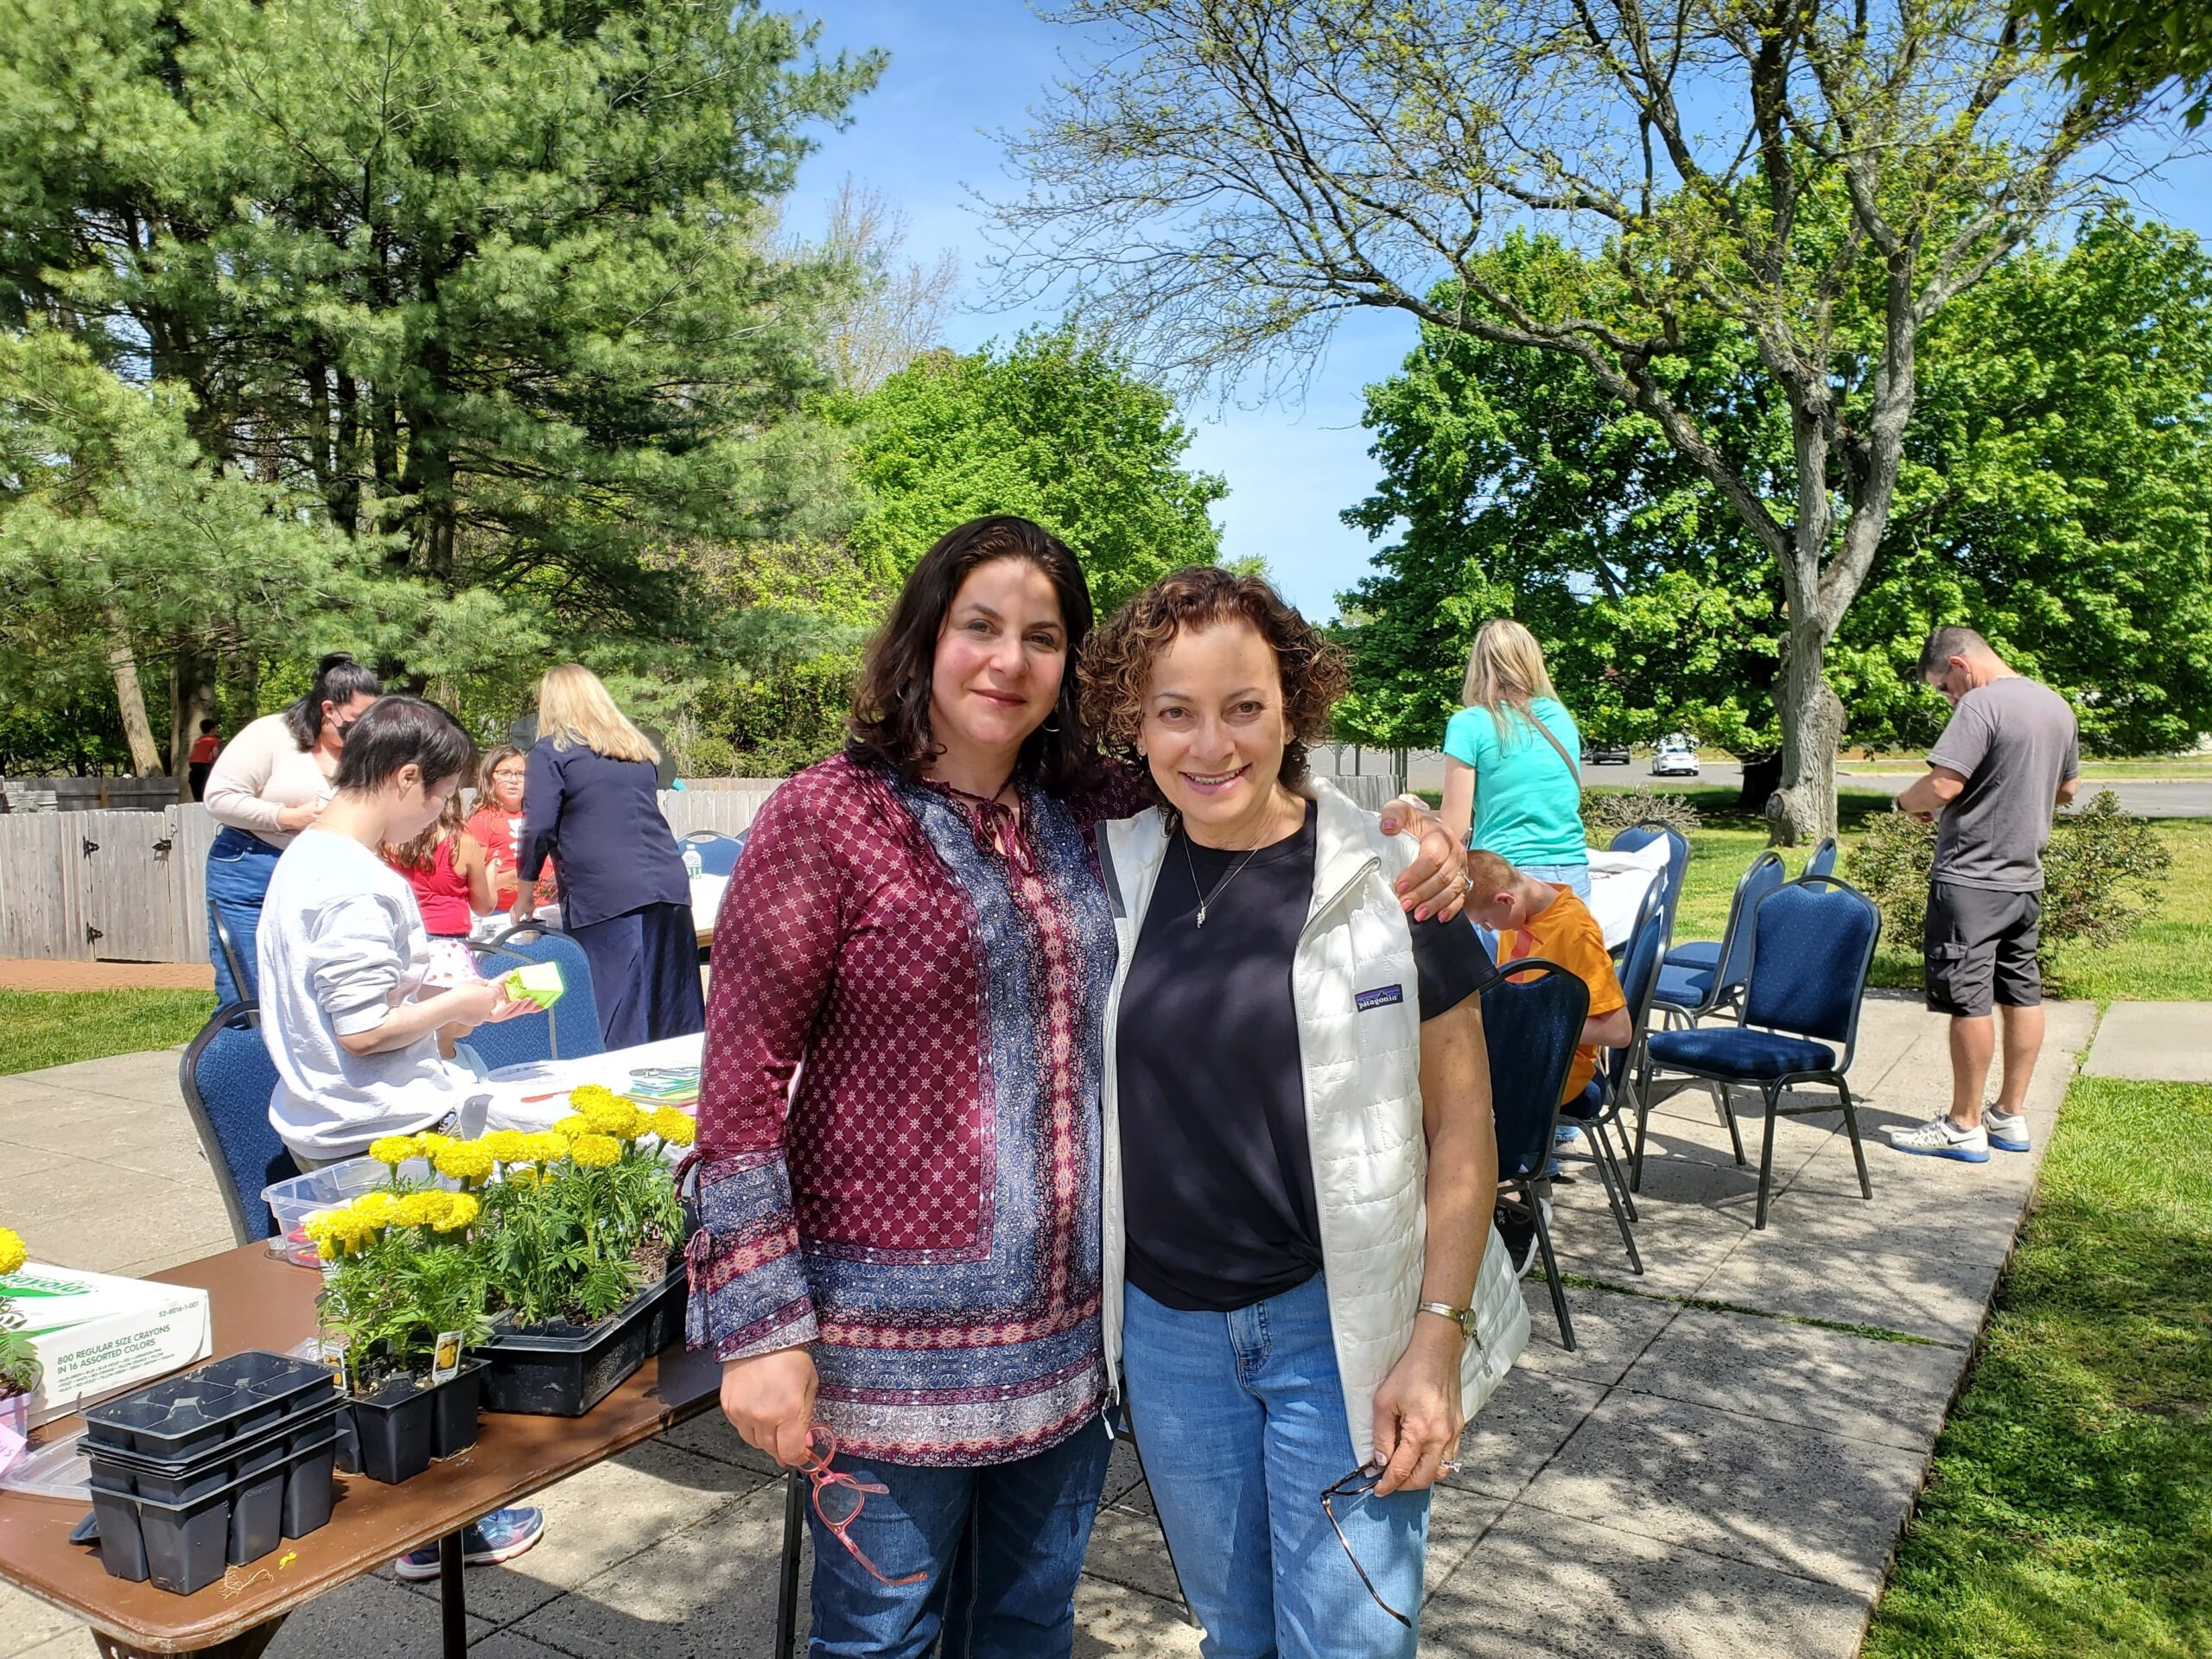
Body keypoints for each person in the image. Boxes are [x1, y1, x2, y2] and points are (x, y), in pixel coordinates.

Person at [690, 518, 1470, 1659]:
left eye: (1042, 636)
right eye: (980, 627)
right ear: (924, 636)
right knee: (879, 1642)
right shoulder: (823, 821)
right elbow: (741, 1094)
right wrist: (759, 1330)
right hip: (883, 1364)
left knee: (1024, 1631)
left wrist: (1438, 847)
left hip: (1067, 1357)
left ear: (1070, 670)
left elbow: (1257, 801)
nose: (1008, 659)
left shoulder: (1087, 811)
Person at [1077, 567, 1524, 1659]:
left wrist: (1435, 1340)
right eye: (1173, 712)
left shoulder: (1391, 876)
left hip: (1341, 1329)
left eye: (1243, 707)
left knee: (1348, 1644)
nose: (1210, 744)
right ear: (1133, 724)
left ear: (1295, 706)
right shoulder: (1111, 869)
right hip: (1172, 1337)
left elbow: (1462, 1129)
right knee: (1235, 1633)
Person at [253, 693, 548, 1584]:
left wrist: (443, 1004)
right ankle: (436, 1527)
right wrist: (461, 1006)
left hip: (334, 1121)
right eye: (442, 796)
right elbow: (358, 1030)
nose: (442, 818)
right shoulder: (353, 876)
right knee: (430, 1332)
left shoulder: (310, 858)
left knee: (386, 1324)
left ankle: (413, 1514)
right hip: (381, 1131)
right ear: (406, 775)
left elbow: (369, 1008)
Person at [1889, 626, 2080, 1162]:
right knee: (2022, 992)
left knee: (1968, 1000)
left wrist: (1905, 802)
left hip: (1971, 880)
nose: (1950, 698)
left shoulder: (1980, 707)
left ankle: (1963, 1124)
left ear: (1960, 663)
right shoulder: (2056, 706)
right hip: (2025, 879)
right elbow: (2066, 791)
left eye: (1945, 687)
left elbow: (1943, 786)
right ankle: (2010, 1115)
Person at [511, 666, 702, 1048]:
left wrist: (524, 890)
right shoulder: (635, 752)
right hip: (666, 883)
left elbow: (538, 826)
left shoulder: (553, 751)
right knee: (672, 1012)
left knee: (616, 1012)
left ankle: (620, 1102)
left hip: (606, 894)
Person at [1460, 849, 1633, 1275]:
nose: (1486, 929)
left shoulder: (1574, 931)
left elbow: (1618, 1031)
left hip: (1561, 1069)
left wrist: (1539, 1022)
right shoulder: (1518, 918)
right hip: (1525, 1056)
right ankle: (1499, 1191)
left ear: (1505, 901)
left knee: (1466, 1103)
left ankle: (1515, 1202)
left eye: (1485, 920)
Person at [202, 652, 382, 1004]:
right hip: (252, 869)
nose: (363, 730)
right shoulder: (271, 733)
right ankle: (231, 1058)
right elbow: (218, 798)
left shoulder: (362, 750)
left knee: (314, 987)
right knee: (248, 992)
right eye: (357, 720)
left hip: (326, 874)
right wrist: (288, 817)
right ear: (328, 709)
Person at [1440, 620, 1592, 897]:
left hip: (1504, 880)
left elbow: (1454, 828)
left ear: (1479, 666)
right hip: (1571, 875)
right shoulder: (1560, 718)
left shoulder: (1470, 723)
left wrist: (1416, 814)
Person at [383, 788, 496, 939]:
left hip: (405, 935)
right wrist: (492, 873)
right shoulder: (463, 844)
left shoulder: (390, 841)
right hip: (450, 939)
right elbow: (483, 908)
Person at [464, 746, 557, 915]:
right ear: (490, 777)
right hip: (502, 913)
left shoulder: (540, 817)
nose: (514, 780)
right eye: (505, 773)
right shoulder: (482, 821)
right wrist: (518, 875)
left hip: (546, 908)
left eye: (521, 774)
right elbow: (475, 886)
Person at [186, 720, 222, 802]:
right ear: (212, 729)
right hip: (204, 767)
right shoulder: (213, 740)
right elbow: (215, 753)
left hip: (193, 768)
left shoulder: (198, 740)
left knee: (198, 796)